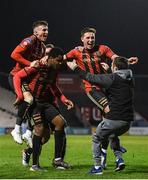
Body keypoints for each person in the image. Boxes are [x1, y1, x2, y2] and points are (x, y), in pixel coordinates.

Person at [64, 27, 138, 168]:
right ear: (82, 39)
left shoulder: (103, 49)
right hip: (92, 89)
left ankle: (115, 157)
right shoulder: (76, 52)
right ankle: (109, 154)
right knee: (110, 114)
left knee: (109, 123)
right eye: (88, 37)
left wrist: (126, 60)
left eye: (92, 37)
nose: (91, 40)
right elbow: (61, 59)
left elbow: (116, 59)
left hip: (106, 87)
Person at [67, 56, 134, 174]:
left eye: (112, 64)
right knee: (112, 134)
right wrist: (110, 70)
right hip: (127, 122)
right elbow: (118, 80)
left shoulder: (112, 78)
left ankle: (97, 167)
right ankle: (119, 159)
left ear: (116, 67)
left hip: (114, 118)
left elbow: (90, 77)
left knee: (96, 137)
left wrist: (75, 68)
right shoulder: (130, 79)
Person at [13, 47, 74, 171]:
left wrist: (63, 99)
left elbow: (53, 86)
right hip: (34, 103)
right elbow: (17, 77)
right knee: (39, 129)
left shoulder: (54, 69)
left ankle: (57, 160)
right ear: (50, 58)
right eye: (58, 60)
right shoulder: (37, 65)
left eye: (61, 61)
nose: (60, 63)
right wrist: (20, 95)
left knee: (60, 123)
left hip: (45, 103)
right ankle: (35, 165)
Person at [9, 20, 48, 145]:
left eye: (47, 30)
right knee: (29, 100)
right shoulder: (29, 41)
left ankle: (29, 132)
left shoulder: (42, 47)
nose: (46, 32)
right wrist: (29, 63)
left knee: (37, 103)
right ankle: (17, 129)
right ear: (35, 32)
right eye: (43, 29)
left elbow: (36, 66)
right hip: (17, 76)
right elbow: (14, 54)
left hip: (28, 78)